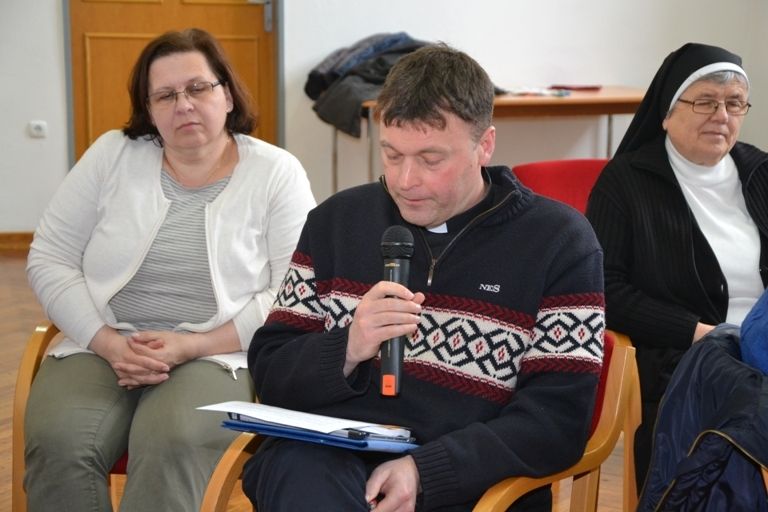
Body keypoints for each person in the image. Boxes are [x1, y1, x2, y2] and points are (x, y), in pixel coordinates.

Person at [242, 43, 605, 512]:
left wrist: (427, 471)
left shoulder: (558, 241)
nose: (405, 180)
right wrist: (348, 346)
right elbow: (271, 374)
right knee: (300, 472)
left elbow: (557, 420)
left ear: (485, 144)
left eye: (431, 160)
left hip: (471, 483)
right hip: (324, 464)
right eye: (391, 155)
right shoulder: (335, 222)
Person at [24, 28, 315, 511]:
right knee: (59, 441)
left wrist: (193, 345)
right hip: (101, 343)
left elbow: (294, 290)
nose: (184, 105)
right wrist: (107, 341)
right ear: (148, 108)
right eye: (165, 95)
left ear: (227, 94)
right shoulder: (111, 155)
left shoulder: (276, 172)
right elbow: (50, 256)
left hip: (216, 353)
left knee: (173, 442)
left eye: (198, 88)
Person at [585, 42, 768, 489]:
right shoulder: (625, 182)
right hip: (683, 359)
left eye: (734, 103)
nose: (721, 115)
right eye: (705, 102)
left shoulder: (761, 170)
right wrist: (700, 332)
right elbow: (604, 289)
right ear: (667, 112)